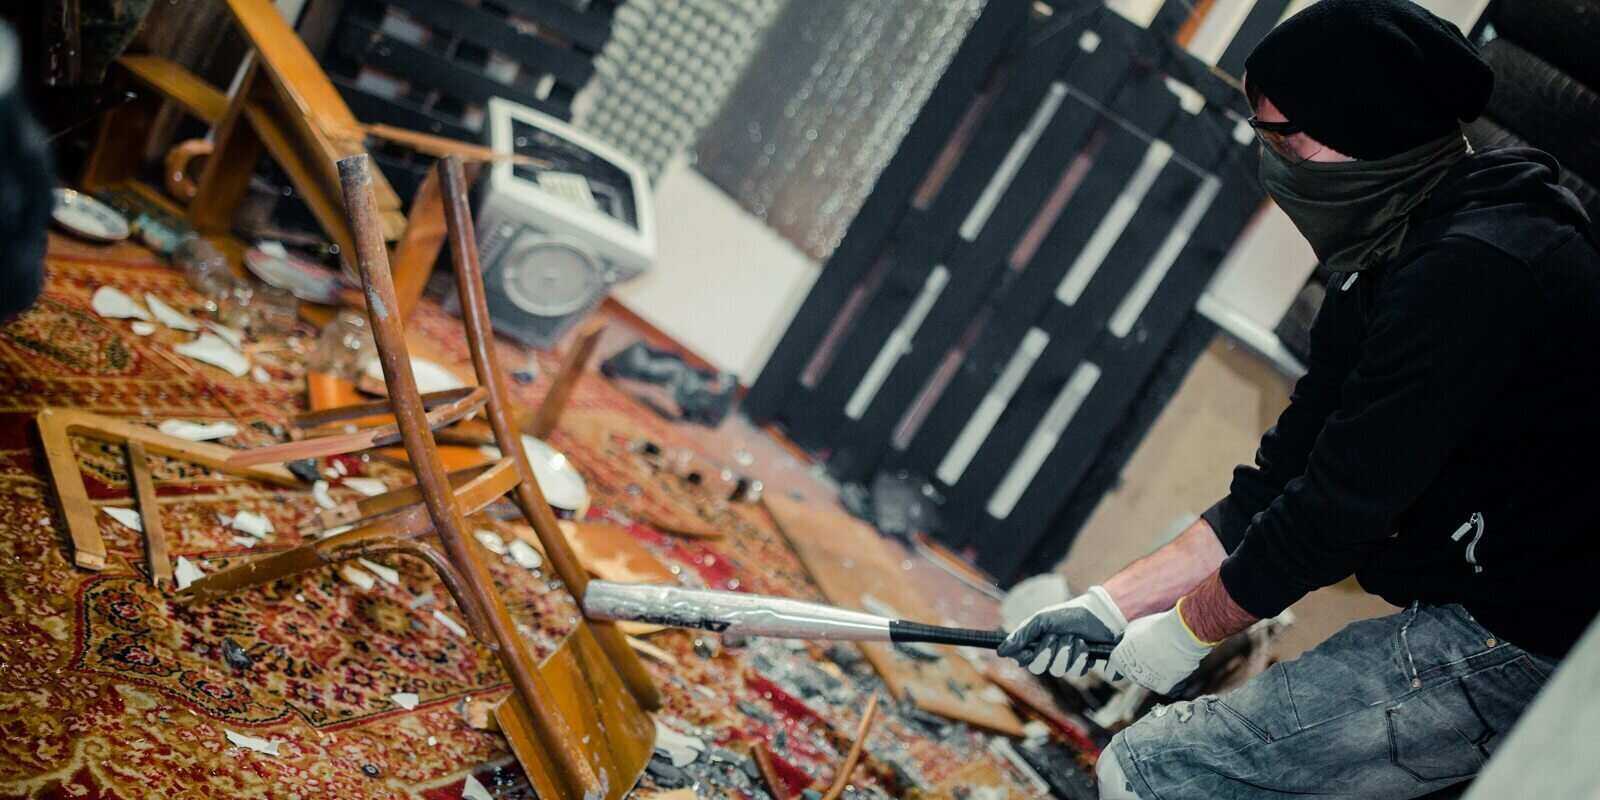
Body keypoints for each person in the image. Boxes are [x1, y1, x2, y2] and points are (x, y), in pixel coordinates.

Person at [998, 1, 1600, 797]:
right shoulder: (1390, 249)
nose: (1269, 158)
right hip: (1481, 605)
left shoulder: (1477, 267)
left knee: (1155, 775)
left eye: (1281, 136)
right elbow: (1280, 479)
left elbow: (1337, 512)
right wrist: (1110, 605)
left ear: (1363, 128)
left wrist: (1181, 636)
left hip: (1540, 637)